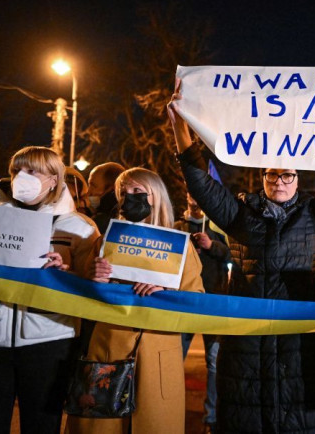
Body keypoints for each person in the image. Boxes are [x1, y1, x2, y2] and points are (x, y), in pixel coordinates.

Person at [167, 79, 315, 433]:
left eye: (287, 174)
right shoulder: (239, 213)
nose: (279, 181)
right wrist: (179, 122)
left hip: (301, 344)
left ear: (298, 179)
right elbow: (199, 180)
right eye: (272, 174)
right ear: (262, 176)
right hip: (247, 342)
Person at [0, 146, 100, 434]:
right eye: (17, 170)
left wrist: (64, 277)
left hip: (49, 343)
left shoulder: (80, 228)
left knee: (41, 427)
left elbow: (92, 291)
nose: (21, 177)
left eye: (32, 171)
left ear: (54, 179)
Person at [66, 168, 204, 434]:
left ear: (156, 197)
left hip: (157, 357)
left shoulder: (181, 246)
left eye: (138, 192)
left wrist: (165, 291)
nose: (129, 198)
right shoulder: (105, 242)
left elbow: (196, 301)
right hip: (108, 349)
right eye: (123, 193)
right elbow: (83, 297)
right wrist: (94, 277)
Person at [174, 192, 230, 432]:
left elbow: (233, 256)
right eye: (190, 195)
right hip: (184, 303)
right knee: (174, 361)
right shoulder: (177, 227)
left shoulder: (218, 228)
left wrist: (212, 246)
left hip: (213, 304)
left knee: (214, 363)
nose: (195, 201)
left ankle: (211, 417)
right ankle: (170, 411)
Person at [87, 162, 125, 233]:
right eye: (89, 185)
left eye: (93, 186)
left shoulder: (101, 221)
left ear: (112, 189)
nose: (88, 192)